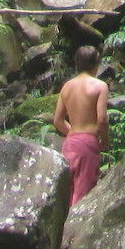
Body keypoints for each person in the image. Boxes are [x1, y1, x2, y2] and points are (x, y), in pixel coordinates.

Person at [53, 45, 109, 206]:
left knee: (68, 191)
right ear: (96, 64)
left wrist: (73, 133)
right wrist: (104, 141)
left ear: (76, 64)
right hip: (88, 143)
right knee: (83, 194)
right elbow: (102, 119)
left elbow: (57, 120)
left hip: (70, 143)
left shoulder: (67, 87)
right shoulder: (100, 86)